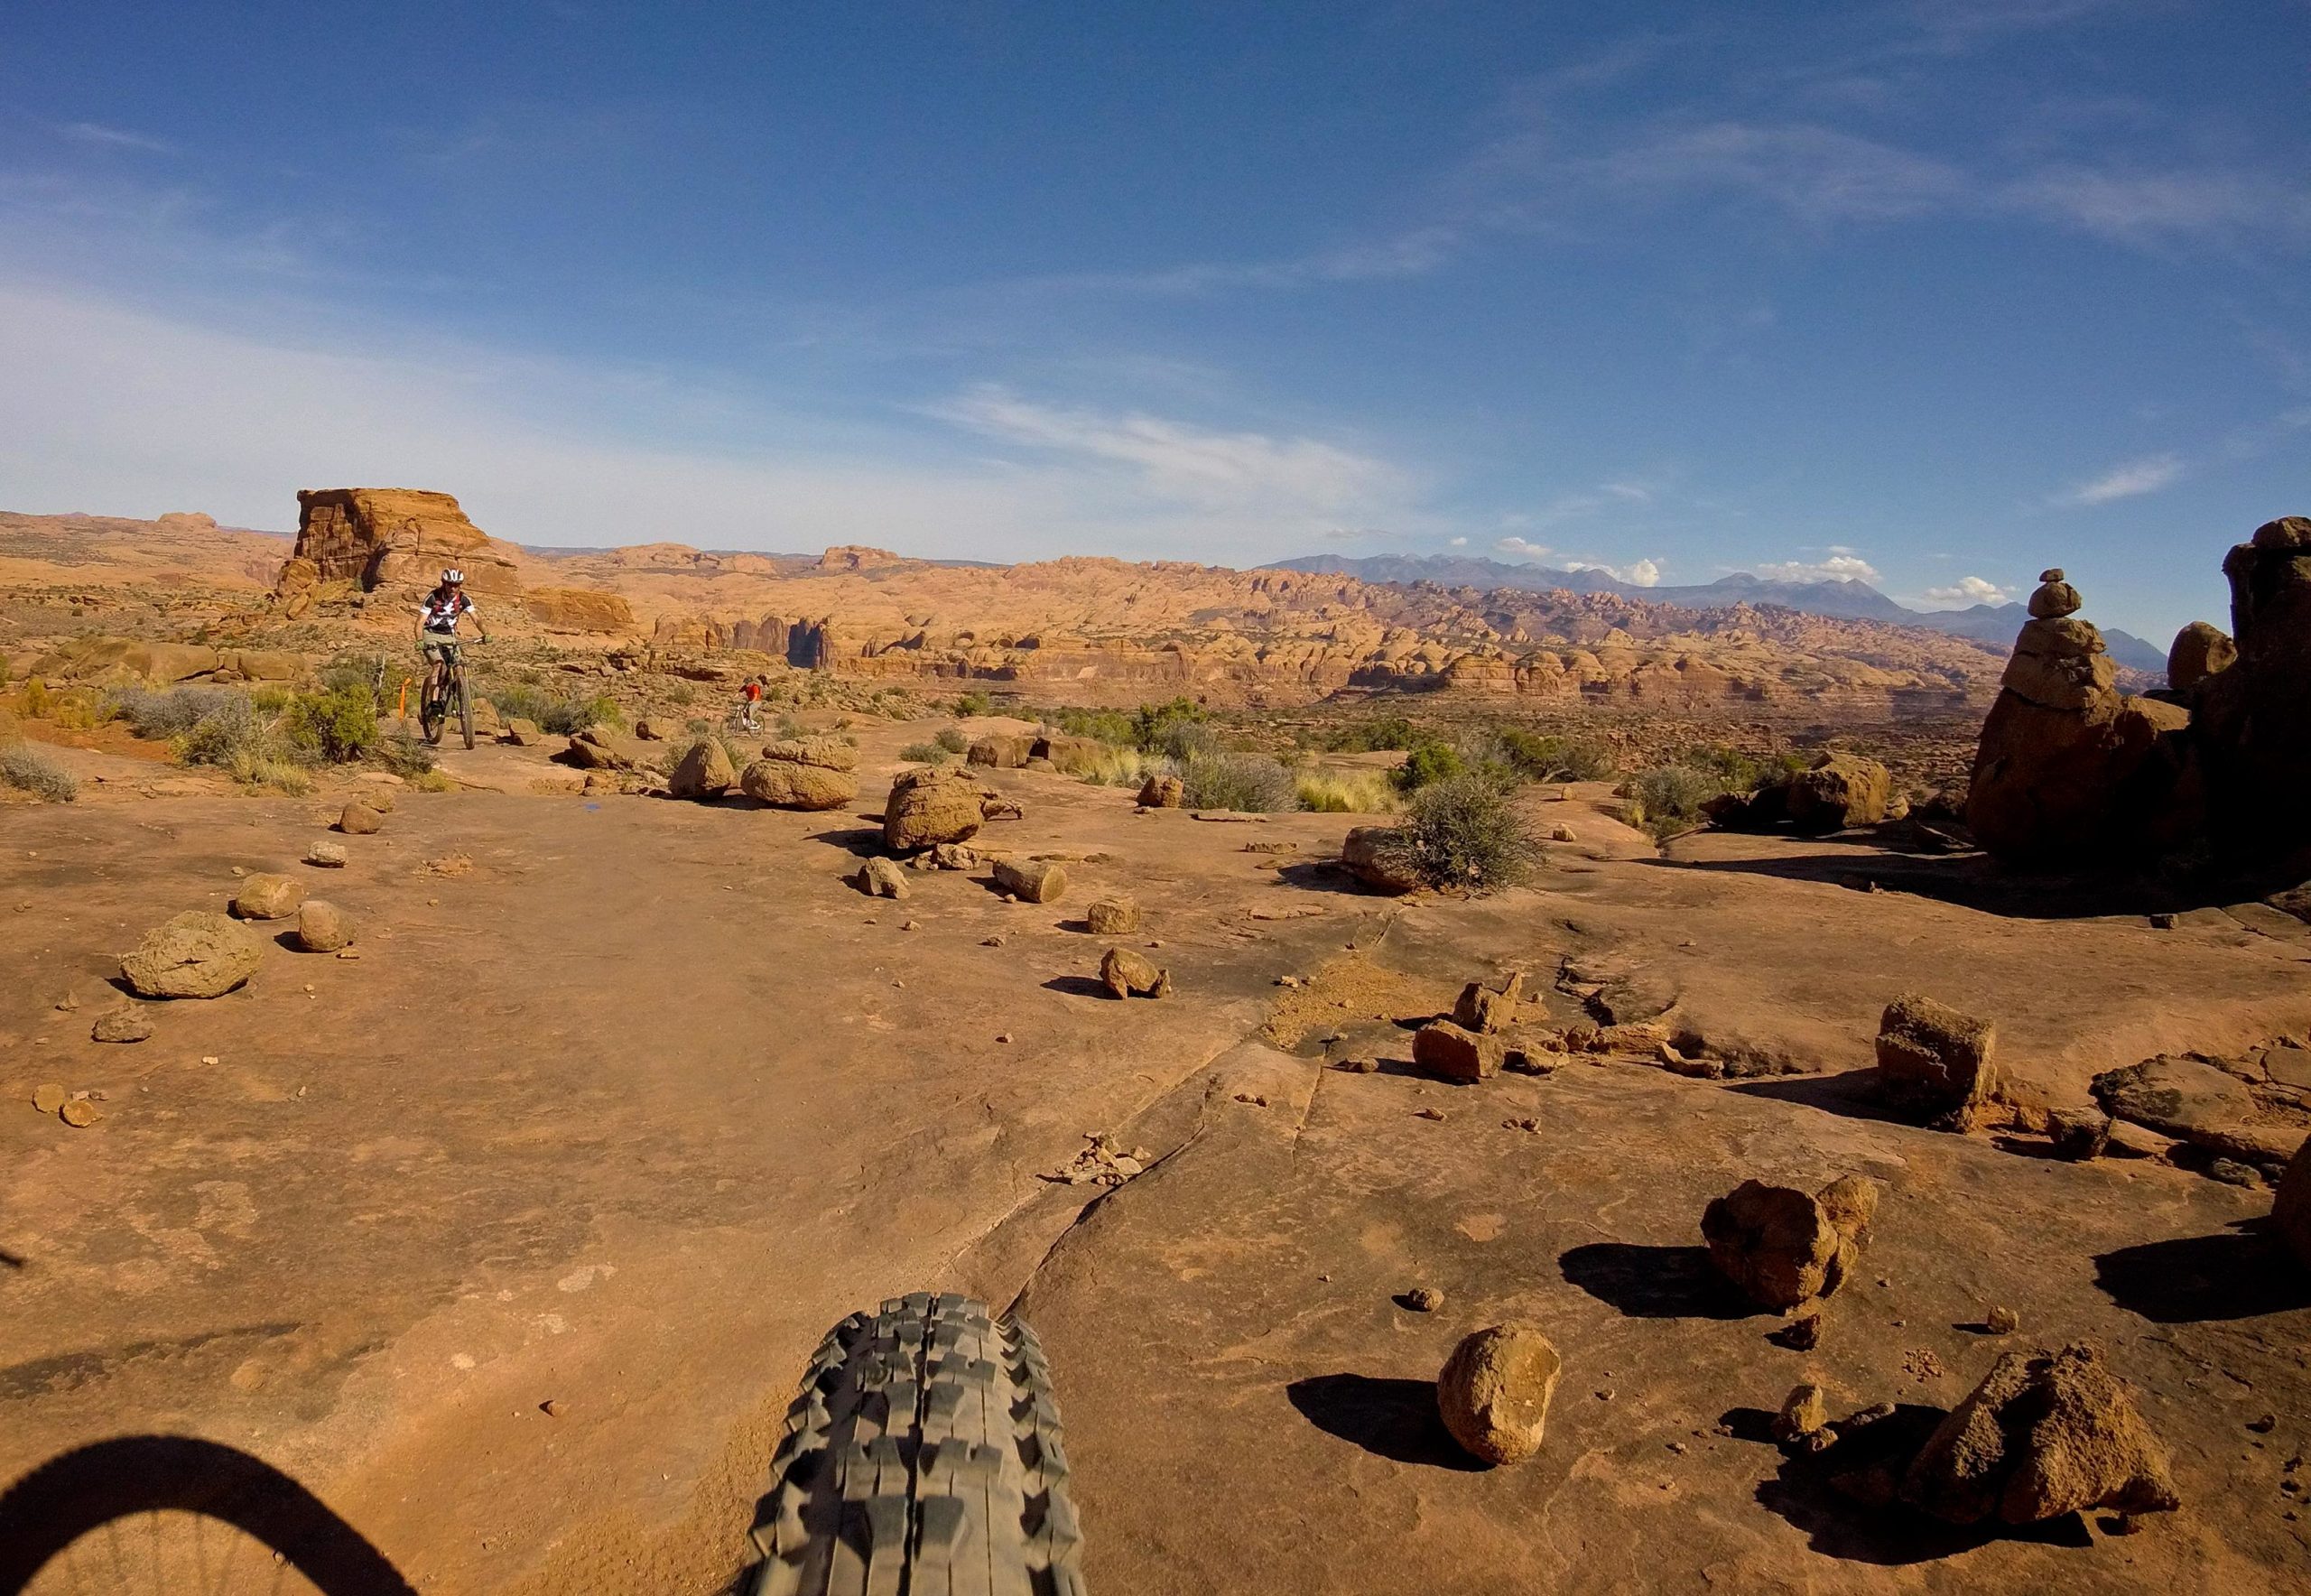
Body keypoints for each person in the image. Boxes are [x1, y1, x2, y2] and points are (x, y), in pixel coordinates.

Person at [415, 568, 489, 711]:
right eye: (450, 584)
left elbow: (477, 619)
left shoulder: (463, 599)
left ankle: (462, 698)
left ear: (460, 585)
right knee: (439, 665)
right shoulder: (433, 597)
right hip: (431, 633)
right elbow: (419, 622)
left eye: (456, 585)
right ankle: (434, 702)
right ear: (444, 583)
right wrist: (419, 639)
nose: (453, 588)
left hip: (450, 635)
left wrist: (486, 633)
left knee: (459, 666)